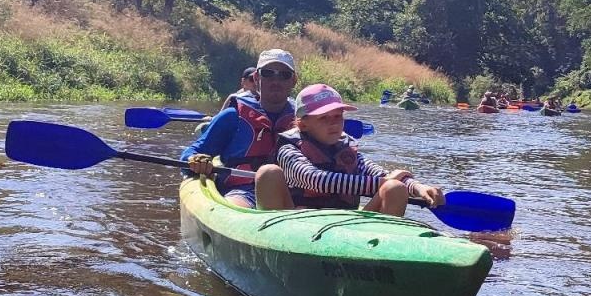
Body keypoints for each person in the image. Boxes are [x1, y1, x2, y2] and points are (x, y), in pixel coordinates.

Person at [252, 83, 445, 216]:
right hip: (298, 224)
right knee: (268, 172)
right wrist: (382, 182)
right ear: (303, 125)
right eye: (323, 118)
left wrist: (419, 188)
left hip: (346, 225)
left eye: (337, 116)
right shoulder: (289, 149)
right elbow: (315, 180)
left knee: (395, 188)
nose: (333, 123)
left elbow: (382, 174)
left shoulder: (347, 149)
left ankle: (379, 259)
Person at [181, 49, 298, 208]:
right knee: (235, 206)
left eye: (284, 75)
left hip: (294, 193)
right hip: (243, 191)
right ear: (256, 78)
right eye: (268, 73)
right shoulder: (232, 116)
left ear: (294, 81)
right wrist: (195, 161)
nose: (275, 80)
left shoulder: (307, 120)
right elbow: (190, 154)